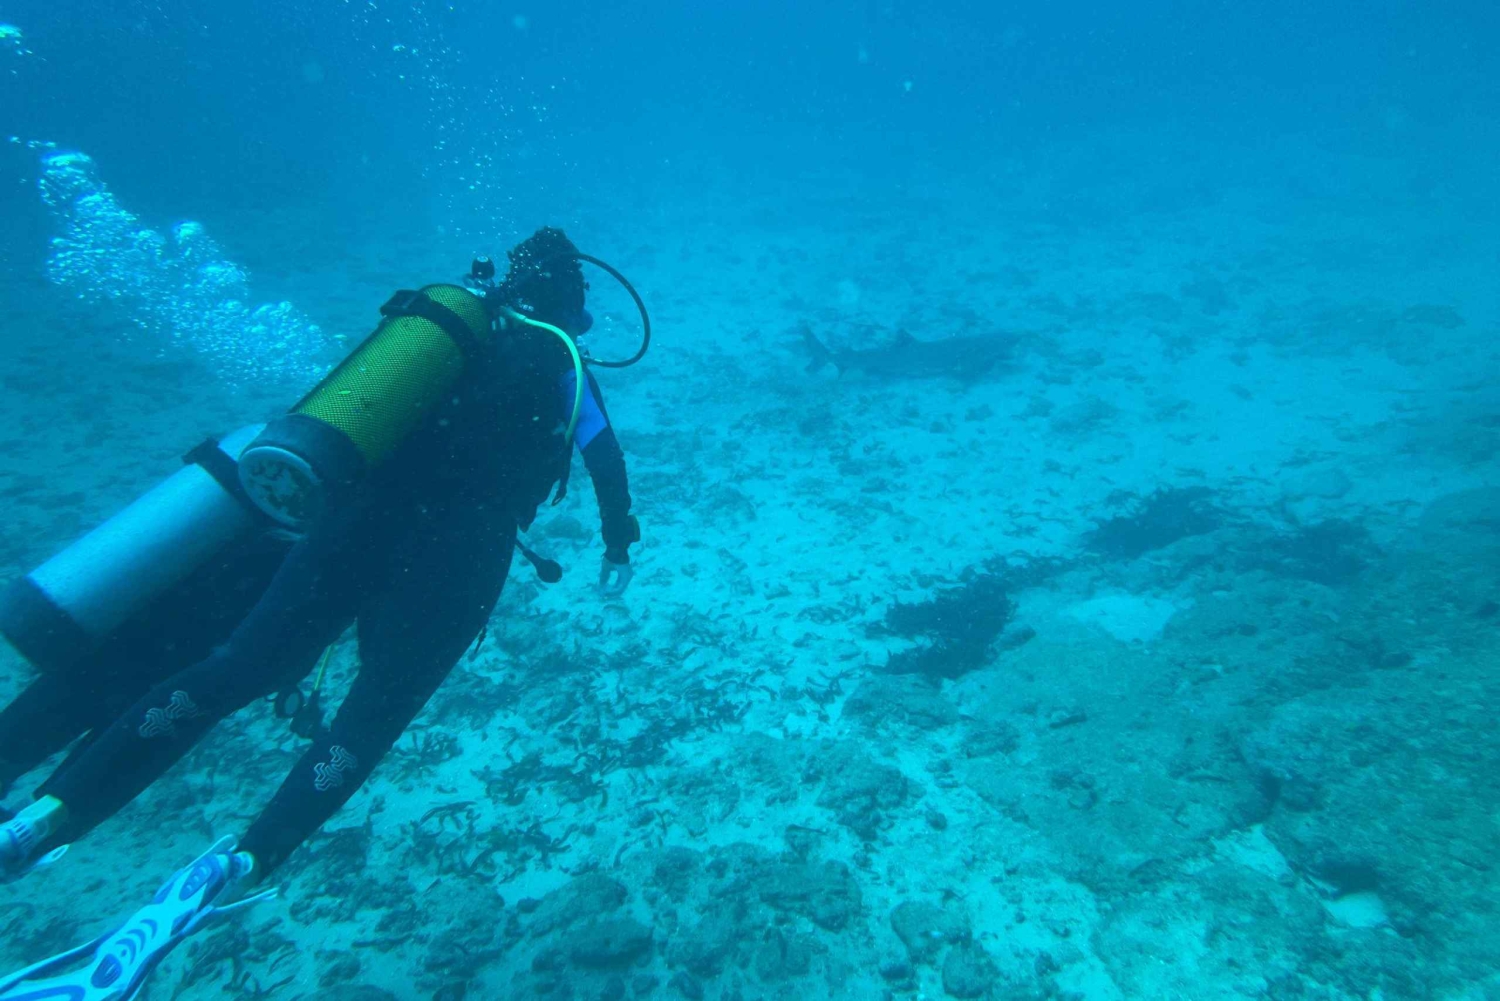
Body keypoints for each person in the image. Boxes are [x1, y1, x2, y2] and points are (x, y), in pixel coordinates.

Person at [0, 227, 641, 997]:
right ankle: (246, 857)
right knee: (369, 716)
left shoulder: (441, 335)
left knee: (227, 672)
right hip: (459, 556)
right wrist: (618, 542)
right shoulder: (564, 362)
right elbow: (604, 459)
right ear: (574, 296)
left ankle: (45, 816)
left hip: (349, 525)